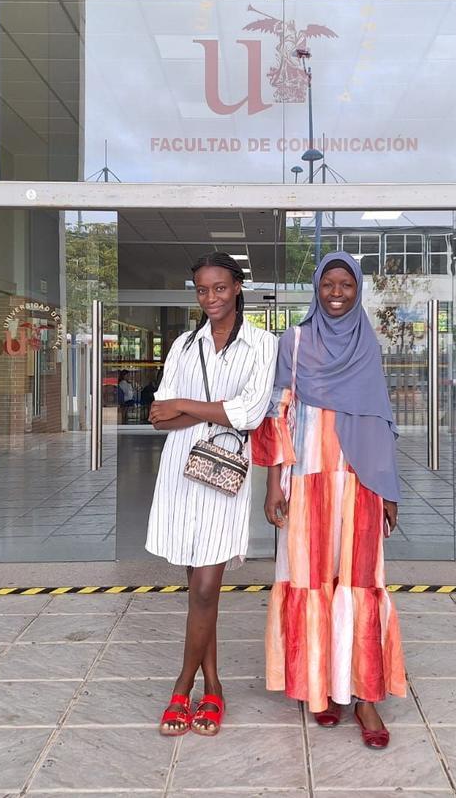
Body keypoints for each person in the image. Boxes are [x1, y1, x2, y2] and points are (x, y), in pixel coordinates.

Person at [253, 251, 406, 750]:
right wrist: (275, 483)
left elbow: (381, 419)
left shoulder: (369, 344)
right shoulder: (293, 342)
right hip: (308, 479)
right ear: (316, 288)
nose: (336, 292)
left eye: (346, 284)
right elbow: (279, 412)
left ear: (357, 289)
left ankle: (365, 694)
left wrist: (389, 488)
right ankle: (319, 686)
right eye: (328, 284)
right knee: (311, 581)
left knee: (361, 583)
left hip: (360, 483)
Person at [146, 252, 277, 737]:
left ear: (238, 287)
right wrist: (201, 409)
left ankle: (183, 685)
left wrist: (185, 405)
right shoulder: (185, 343)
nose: (211, 298)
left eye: (220, 288)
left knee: (204, 588)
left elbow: (250, 412)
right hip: (181, 471)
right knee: (200, 593)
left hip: (223, 474)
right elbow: (160, 414)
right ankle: (215, 686)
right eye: (202, 290)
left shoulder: (264, 343)